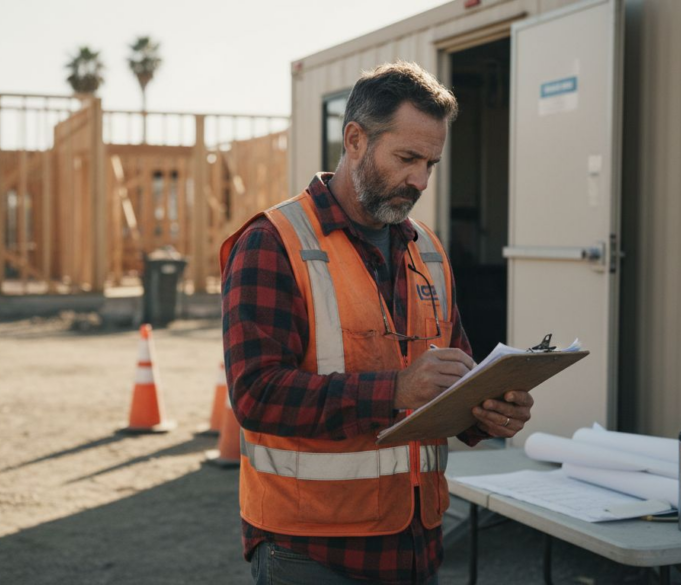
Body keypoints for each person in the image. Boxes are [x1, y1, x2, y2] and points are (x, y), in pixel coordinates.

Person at [221, 61, 536, 585]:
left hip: (416, 545)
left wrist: (487, 411)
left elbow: (451, 380)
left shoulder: (429, 250)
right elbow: (255, 395)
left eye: (431, 164)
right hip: (312, 551)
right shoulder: (273, 242)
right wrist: (396, 388)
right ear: (355, 140)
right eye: (407, 158)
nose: (420, 180)